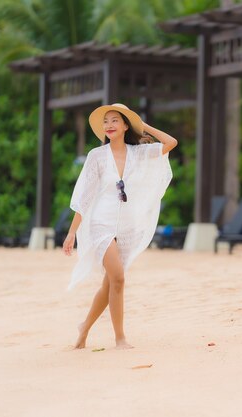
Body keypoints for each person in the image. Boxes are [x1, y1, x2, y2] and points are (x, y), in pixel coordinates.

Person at [63, 103, 177, 350]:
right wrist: (72, 232)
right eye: (106, 122)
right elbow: (84, 197)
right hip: (101, 224)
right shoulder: (97, 156)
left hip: (127, 227)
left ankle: (84, 328)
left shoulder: (138, 153)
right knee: (118, 277)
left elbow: (170, 143)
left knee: (111, 283)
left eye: (115, 120)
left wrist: (143, 125)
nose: (109, 126)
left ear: (125, 125)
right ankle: (120, 338)